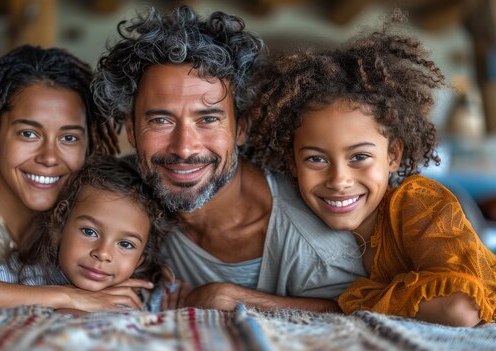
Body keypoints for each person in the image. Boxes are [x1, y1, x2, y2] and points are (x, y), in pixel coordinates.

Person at [92, 5, 365, 311]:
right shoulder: (112, 196)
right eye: (161, 121)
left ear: (241, 129)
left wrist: (233, 298)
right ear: (131, 130)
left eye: (207, 120)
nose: (184, 149)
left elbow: (361, 316)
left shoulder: (314, 247)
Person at [248, 18, 496, 326]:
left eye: (360, 156)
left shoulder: (419, 204)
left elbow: (460, 308)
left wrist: (350, 301)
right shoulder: (290, 211)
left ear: (393, 155)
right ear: (292, 162)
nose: (339, 180)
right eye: (316, 160)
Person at [0, 45, 154, 311]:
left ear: (88, 147)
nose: (49, 157)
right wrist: (68, 296)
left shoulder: (89, 224)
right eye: (29, 134)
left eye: (68, 138)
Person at [0, 154, 176, 312]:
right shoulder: (20, 278)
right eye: (89, 232)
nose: (103, 253)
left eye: (126, 244)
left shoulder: (145, 296)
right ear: (58, 228)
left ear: (140, 259)